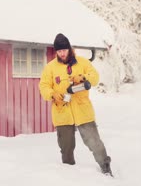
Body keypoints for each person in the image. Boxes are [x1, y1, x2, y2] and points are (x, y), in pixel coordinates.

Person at [39, 33, 112, 176]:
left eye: (64, 50)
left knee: (94, 142)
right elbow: (43, 86)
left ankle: (105, 167)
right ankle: (69, 175)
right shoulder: (50, 67)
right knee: (66, 148)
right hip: (62, 113)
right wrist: (52, 94)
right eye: (59, 51)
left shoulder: (83, 62)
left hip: (83, 111)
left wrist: (84, 77)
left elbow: (95, 77)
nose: (62, 53)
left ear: (69, 49)